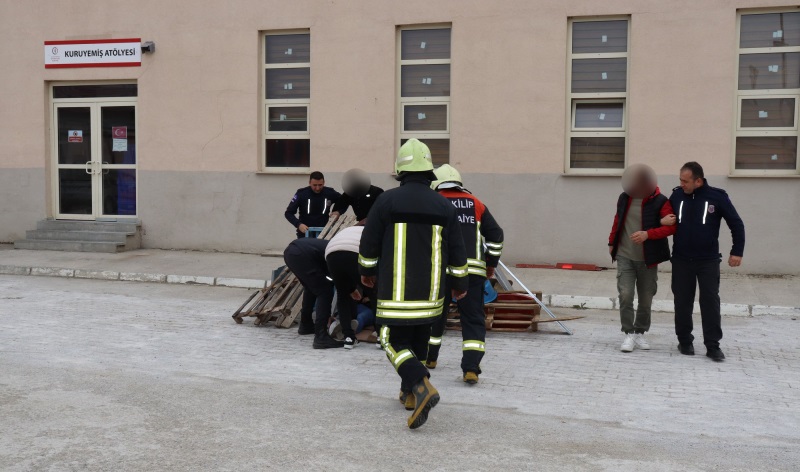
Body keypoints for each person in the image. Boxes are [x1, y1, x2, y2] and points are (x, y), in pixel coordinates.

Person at [358, 138, 468, 429]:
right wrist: (460, 282)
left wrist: (365, 271)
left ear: (401, 171)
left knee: (389, 339)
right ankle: (408, 395)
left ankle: (421, 385)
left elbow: (369, 242)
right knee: (418, 342)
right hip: (432, 296)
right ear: (429, 171)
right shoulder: (443, 206)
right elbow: (457, 249)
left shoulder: (386, 201)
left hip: (396, 293)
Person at [427, 164, 504, 385]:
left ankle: (430, 359)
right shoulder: (476, 203)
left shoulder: (434, 202)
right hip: (472, 272)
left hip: (441, 271)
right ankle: (471, 369)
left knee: (434, 315)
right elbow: (496, 235)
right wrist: (491, 263)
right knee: (472, 319)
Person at [664, 161, 745, 361]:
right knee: (682, 302)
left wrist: (737, 251)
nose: (682, 184)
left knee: (710, 302)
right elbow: (662, 217)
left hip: (707, 261)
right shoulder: (676, 196)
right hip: (681, 260)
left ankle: (713, 345)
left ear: (698, 180)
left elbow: (736, 223)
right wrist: (661, 221)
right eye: (680, 180)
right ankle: (684, 340)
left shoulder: (717, 197)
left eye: (685, 181)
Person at [608, 164, 676, 353]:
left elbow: (671, 227)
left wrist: (648, 234)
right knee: (626, 294)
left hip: (648, 259)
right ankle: (628, 333)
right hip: (625, 255)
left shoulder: (661, 201)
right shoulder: (625, 198)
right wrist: (611, 241)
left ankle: (640, 332)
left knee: (646, 298)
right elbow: (617, 219)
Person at [282, 238, 343, 349]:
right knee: (324, 291)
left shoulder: (339, 247)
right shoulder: (344, 254)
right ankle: (321, 337)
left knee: (311, 287)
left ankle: (306, 325)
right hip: (302, 254)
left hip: (291, 252)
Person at [325, 219, 374, 349]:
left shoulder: (348, 230)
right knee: (374, 293)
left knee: (342, 295)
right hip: (355, 252)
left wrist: (352, 289)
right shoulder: (373, 230)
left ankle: (348, 338)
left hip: (332, 254)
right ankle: (381, 336)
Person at [284, 171, 341, 238]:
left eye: (320, 185)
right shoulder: (301, 194)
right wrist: (298, 224)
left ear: (324, 182)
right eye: (314, 185)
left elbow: (344, 201)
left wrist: (338, 212)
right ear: (309, 183)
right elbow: (288, 213)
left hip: (324, 233)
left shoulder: (329, 193)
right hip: (305, 234)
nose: (317, 188)